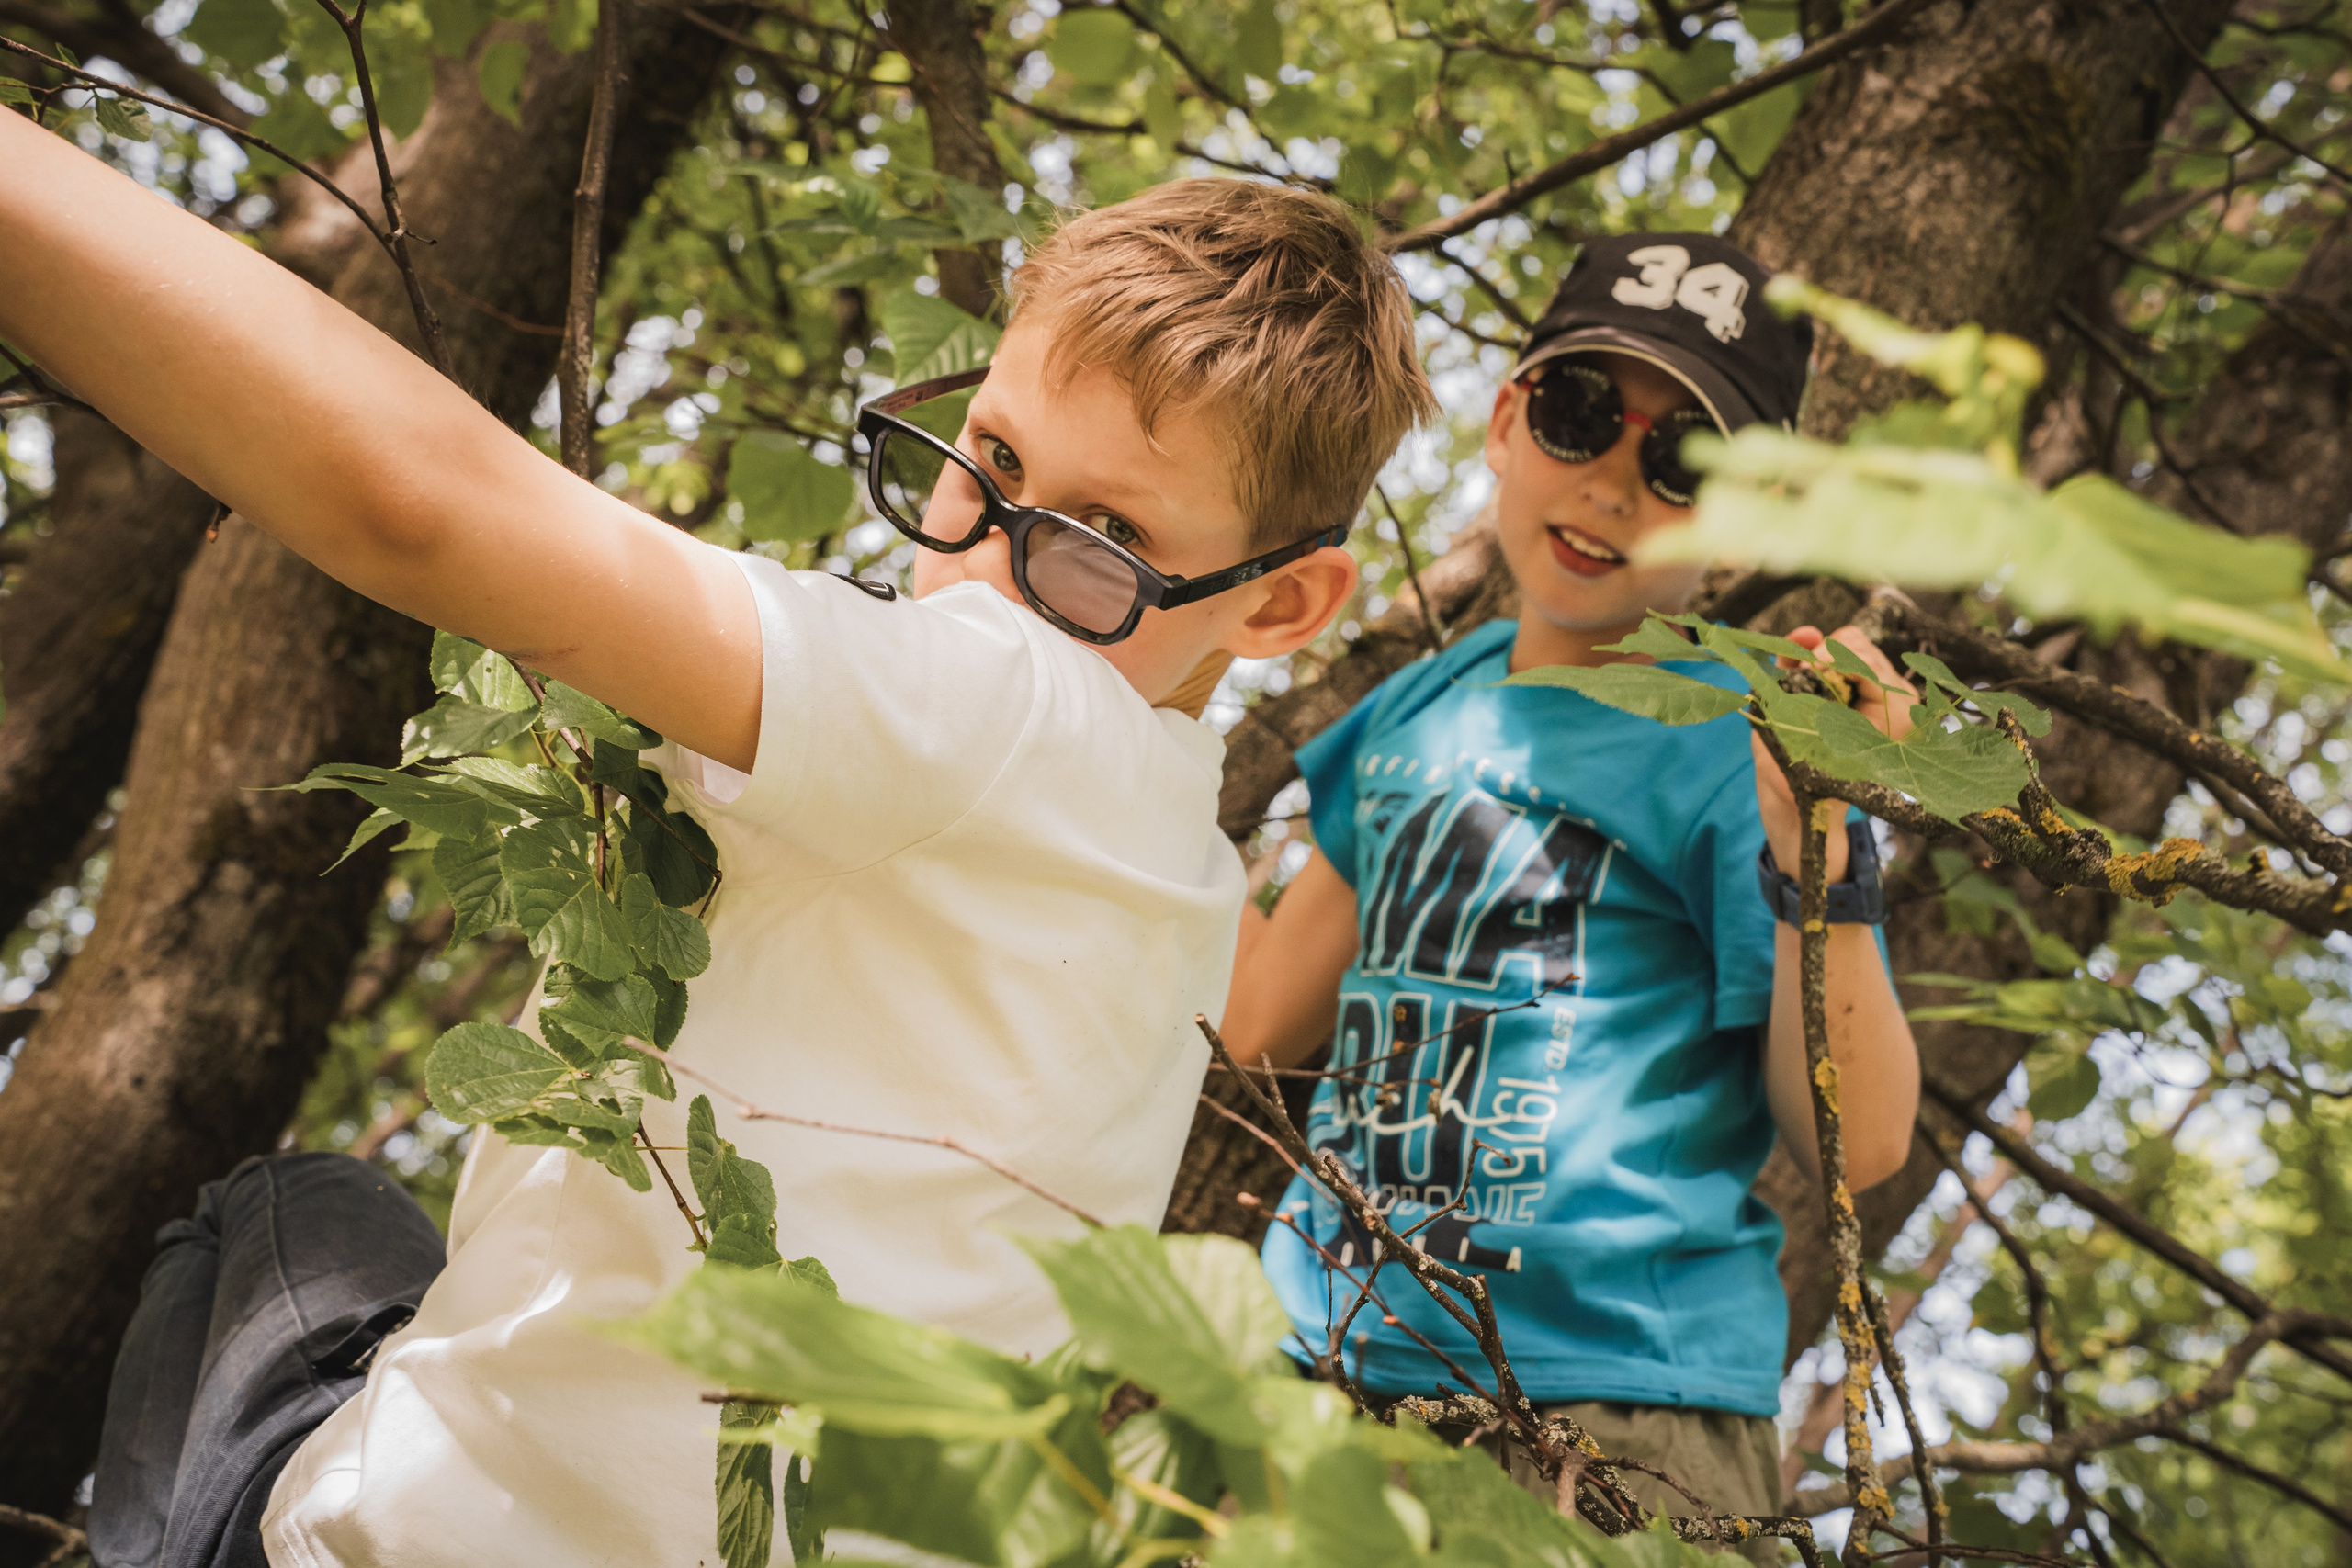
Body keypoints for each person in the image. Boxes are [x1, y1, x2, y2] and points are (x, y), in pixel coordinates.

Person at [0, 105, 1437, 1568]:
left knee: (282, 1203)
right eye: (984, 458)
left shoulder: (1003, 700)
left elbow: (410, 499)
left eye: (1096, 541)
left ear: (1281, 609)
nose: (979, 570)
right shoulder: (1184, 876)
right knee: (337, 1220)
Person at [1220, 233, 1922, 1553]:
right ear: (1506, 421)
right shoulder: (1422, 702)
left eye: (1683, 464)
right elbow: (1257, 1017)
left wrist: (1813, 847)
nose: (1611, 484)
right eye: (1582, 414)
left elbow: (1862, 1142)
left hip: (1614, 1416)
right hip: (1316, 1374)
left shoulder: (1744, 739)